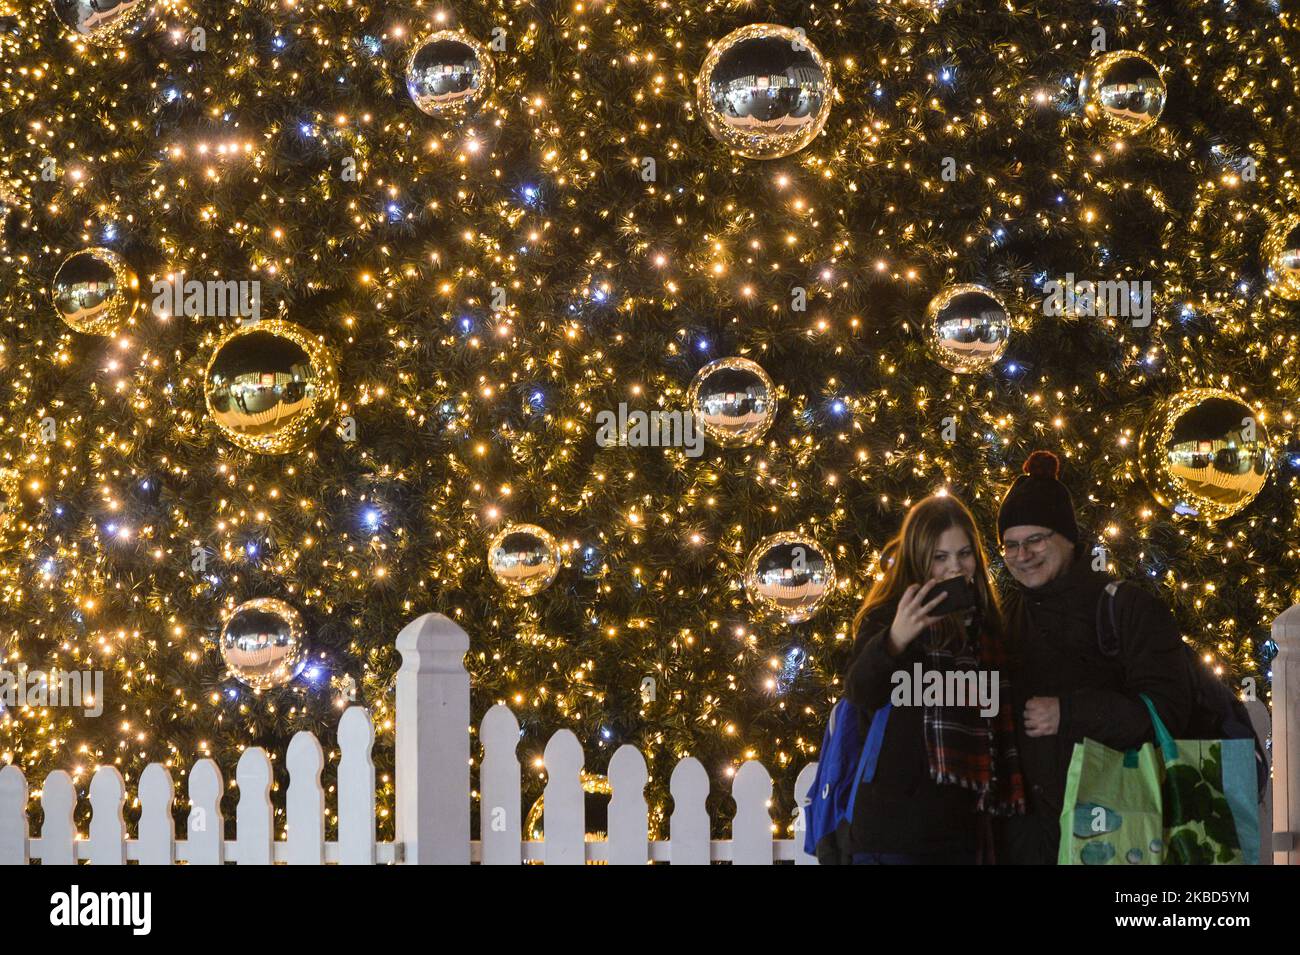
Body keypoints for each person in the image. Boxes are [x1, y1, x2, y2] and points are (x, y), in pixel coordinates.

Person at [994, 450, 1193, 864]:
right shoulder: (1003, 615)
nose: (1022, 555)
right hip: (1026, 838)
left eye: (1035, 540)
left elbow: (1168, 713)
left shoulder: (1125, 608)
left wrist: (1070, 713)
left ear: (1067, 537)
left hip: (1118, 830)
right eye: (1010, 546)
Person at [837, 493, 1025, 865]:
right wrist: (895, 640)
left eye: (964, 554)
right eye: (940, 557)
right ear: (919, 559)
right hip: (896, 834)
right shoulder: (890, 616)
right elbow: (860, 692)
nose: (955, 567)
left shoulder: (986, 627)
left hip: (965, 831)